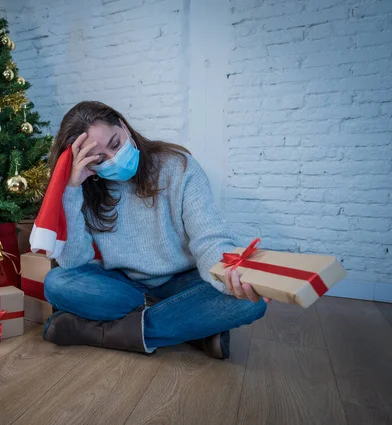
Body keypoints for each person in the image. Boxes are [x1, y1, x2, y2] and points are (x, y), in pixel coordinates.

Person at [41, 101, 268, 359]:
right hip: (125, 287)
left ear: (124, 126)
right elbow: (73, 261)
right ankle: (191, 326)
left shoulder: (179, 167)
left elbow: (209, 239)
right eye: (100, 159)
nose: (114, 159)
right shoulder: (86, 188)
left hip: (183, 281)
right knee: (57, 282)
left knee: (251, 302)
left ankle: (102, 333)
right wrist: (71, 190)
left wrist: (230, 273)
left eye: (115, 144)